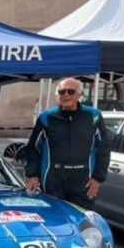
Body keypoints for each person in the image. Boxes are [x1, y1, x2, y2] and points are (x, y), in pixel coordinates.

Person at [24, 77, 110, 209]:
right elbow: (32, 148)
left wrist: (98, 178)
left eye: (70, 91)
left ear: (79, 94)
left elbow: (103, 149)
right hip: (53, 179)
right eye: (62, 92)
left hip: (83, 180)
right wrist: (33, 175)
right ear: (57, 95)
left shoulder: (94, 116)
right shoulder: (46, 117)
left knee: (81, 218)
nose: (66, 95)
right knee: (53, 217)